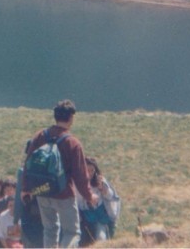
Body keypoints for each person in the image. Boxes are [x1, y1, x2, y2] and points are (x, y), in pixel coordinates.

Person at [23, 100, 96, 248]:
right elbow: (80, 176)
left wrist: (25, 189)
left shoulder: (39, 136)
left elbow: (27, 165)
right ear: (71, 118)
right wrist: (89, 196)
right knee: (72, 232)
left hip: (42, 192)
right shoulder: (73, 143)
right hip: (64, 194)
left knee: (50, 230)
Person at [77, 158, 120, 246]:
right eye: (87, 170)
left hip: (100, 218)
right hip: (84, 219)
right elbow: (77, 202)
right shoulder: (78, 183)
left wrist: (103, 189)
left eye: (92, 170)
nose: (89, 173)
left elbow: (111, 196)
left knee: (101, 240)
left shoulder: (100, 181)